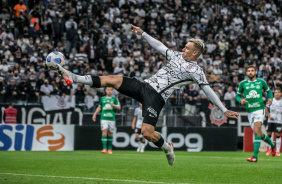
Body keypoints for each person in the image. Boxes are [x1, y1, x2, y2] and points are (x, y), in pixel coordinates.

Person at [57, 24, 239, 166]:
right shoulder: (176, 55)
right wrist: (143, 34)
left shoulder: (196, 71)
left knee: (146, 133)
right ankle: (74, 77)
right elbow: (159, 46)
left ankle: (167, 147)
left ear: (195, 52)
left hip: (156, 98)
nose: (183, 49)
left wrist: (223, 109)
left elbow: (207, 90)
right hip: (145, 86)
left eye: (186, 47)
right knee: (112, 79)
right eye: (184, 46)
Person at [236, 66, 275, 162]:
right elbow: (237, 95)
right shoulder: (242, 83)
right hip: (249, 111)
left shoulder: (261, 82)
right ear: (246, 73)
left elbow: (269, 92)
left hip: (259, 109)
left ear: (256, 72)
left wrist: (270, 99)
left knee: (256, 131)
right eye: (248, 71)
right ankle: (273, 145)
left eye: (252, 71)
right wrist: (240, 100)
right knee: (260, 134)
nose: (250, 72)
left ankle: (255, 157)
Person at [92, 87, 120, 154]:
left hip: (111, 118)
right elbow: (99, 107)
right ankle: (104, 148)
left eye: (111, 90)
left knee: (110, 133)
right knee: (104, 131)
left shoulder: (115, 99)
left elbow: (119, 107)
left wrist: (113, 105)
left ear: (112, 91)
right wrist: (95, 114)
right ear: (105, 90)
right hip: (104, 118)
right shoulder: (102, 98)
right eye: (108, 90)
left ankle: (110, 149)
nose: (109, 91)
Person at [265, 88, 282, 156]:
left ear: (281, 93)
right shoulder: (271, 100)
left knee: (278, 135)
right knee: (269, 134)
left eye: (278, 92)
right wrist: (269, 116)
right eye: (276, 92)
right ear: (274, 94)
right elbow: (266, 109)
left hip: (279, 120)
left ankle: (277, 151)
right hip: (270, 120)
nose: (277, 94)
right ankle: (270, 149)